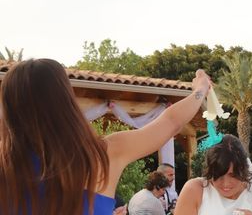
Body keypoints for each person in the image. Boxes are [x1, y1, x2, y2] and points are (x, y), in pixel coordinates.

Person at [0, 58, 211, 215]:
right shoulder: (104, 155)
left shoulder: (5, 166)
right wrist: (200, 90)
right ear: (66, 101)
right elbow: (171, 121)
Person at [174, 134, 252, 215]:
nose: (226, 183)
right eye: (218, 175)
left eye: (233, 175)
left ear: (244, 169)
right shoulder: (195, 190)